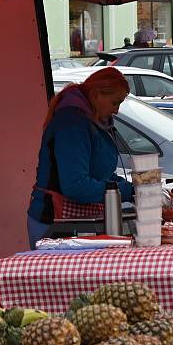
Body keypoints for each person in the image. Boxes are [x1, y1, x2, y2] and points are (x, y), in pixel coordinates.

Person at [27, 67, 134, 249]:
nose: (116, 110)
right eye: (115, 103)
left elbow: (99, 173)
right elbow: (75, 185)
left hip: (77, 223)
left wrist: (132, 186)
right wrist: (124, 190)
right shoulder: (72, 124)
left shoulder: (92, 121)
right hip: (54, 223)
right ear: (96, 94)